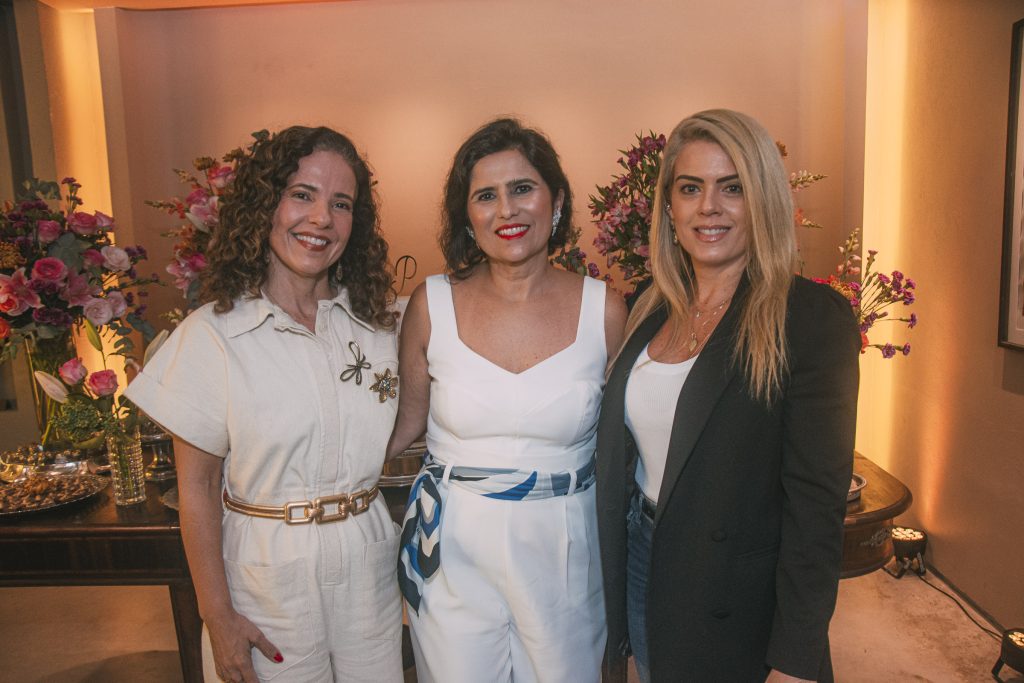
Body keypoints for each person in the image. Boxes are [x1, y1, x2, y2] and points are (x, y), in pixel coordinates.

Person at [126, 126, 403, 683]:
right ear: (265, 205)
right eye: (302, 194)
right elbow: (197, 491)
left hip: (367, 560)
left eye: (341, 203)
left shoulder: (381, 327)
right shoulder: (214, 335)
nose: (322, 218)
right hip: (266, 574)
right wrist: (217, 615)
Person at [595, 109, 860, 683]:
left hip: (735, 592)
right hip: (643, 554)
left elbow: (816, 510)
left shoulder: (809, 318)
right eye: (691, 188)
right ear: (669, 207)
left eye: (732, 187)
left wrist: (796, 658)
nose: (708, 207)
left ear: (763, 199)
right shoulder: (648, 303)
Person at [387, 117, 627, 682]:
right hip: (453, 551)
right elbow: (401, 427)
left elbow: (627, 444)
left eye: (522, 188)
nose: (506, 210)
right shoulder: (431, 304)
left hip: (565, 551)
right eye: (485, 196)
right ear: (467, 217)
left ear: (557, 201)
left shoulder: (605, 310)